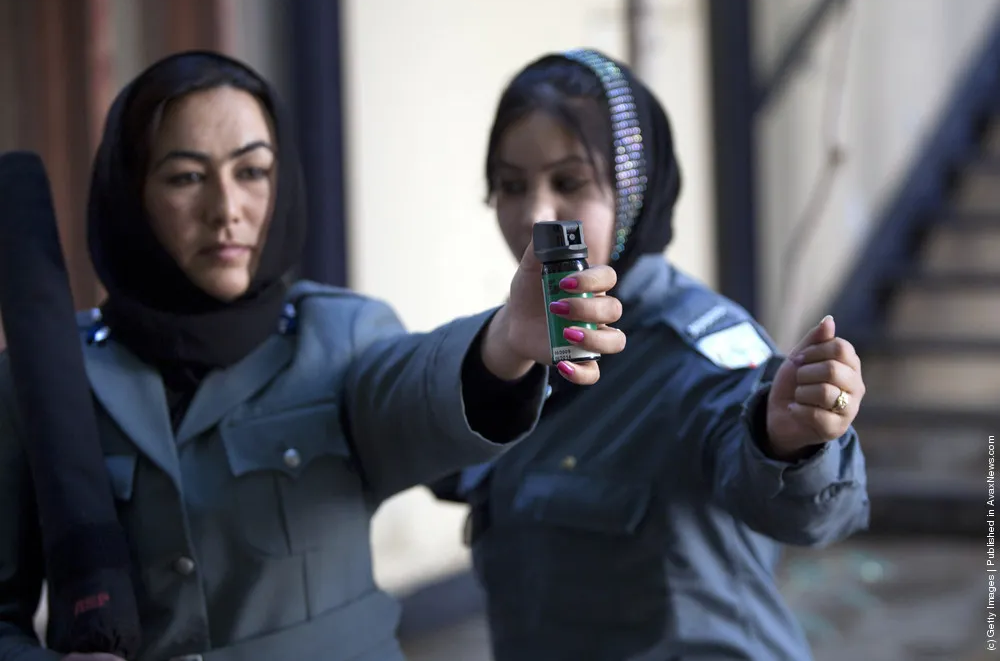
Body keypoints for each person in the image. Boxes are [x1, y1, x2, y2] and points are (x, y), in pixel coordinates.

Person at [0, 50, 627, 661]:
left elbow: (410, 393)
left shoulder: (338, 336)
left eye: (252, 171)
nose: (227, 210)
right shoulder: (47, 378)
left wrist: (506, 343)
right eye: (186, 177)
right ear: (131, 195)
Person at [430, 49, 870, 661]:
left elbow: (809, 513)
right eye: (510, 186)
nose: (536, 215)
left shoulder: (700, 350)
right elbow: (438, 456)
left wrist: (790, 441)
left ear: (635, 191)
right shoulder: (516, 339)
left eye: (569, 182)